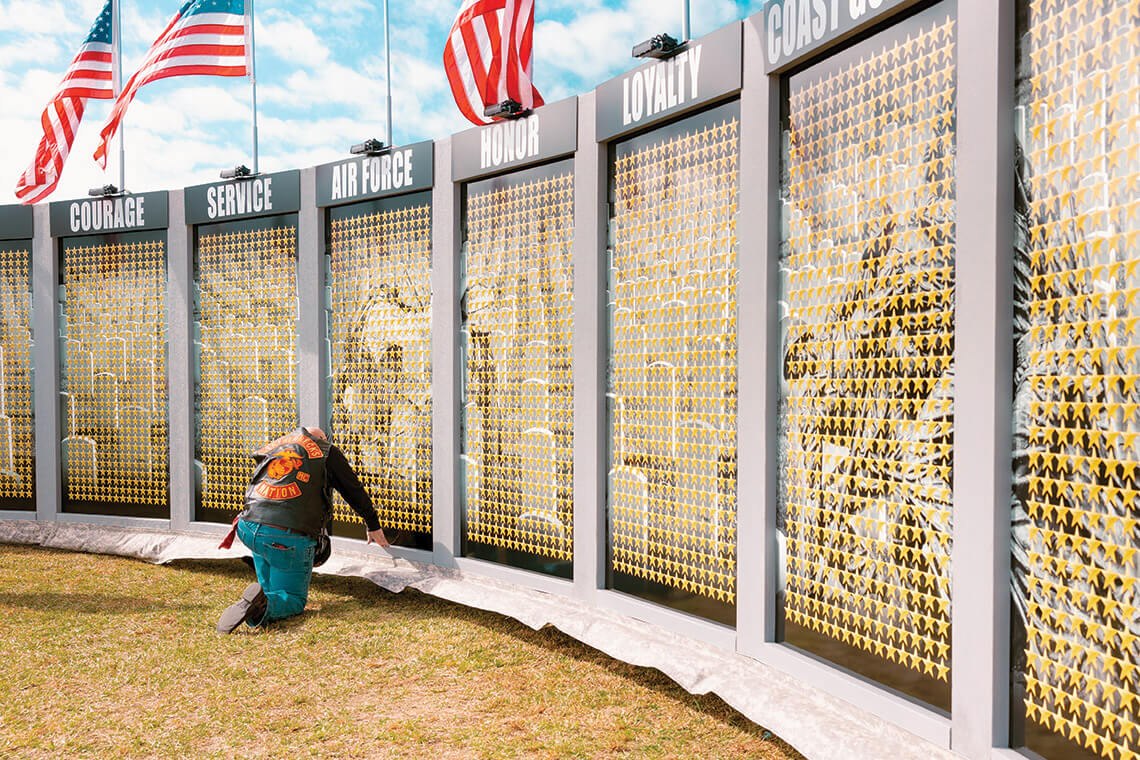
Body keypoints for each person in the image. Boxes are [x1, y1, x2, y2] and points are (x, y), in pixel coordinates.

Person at [216, 426, 389, 633]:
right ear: (320, 439)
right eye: (324, 437)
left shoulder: (275, 447)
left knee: (271, 585)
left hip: (248, 527)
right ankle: (260, 608)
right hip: (284, 535)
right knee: (294, 599)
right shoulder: (326, 450)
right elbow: (353, 489)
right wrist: (373, 524)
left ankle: (263, 598)